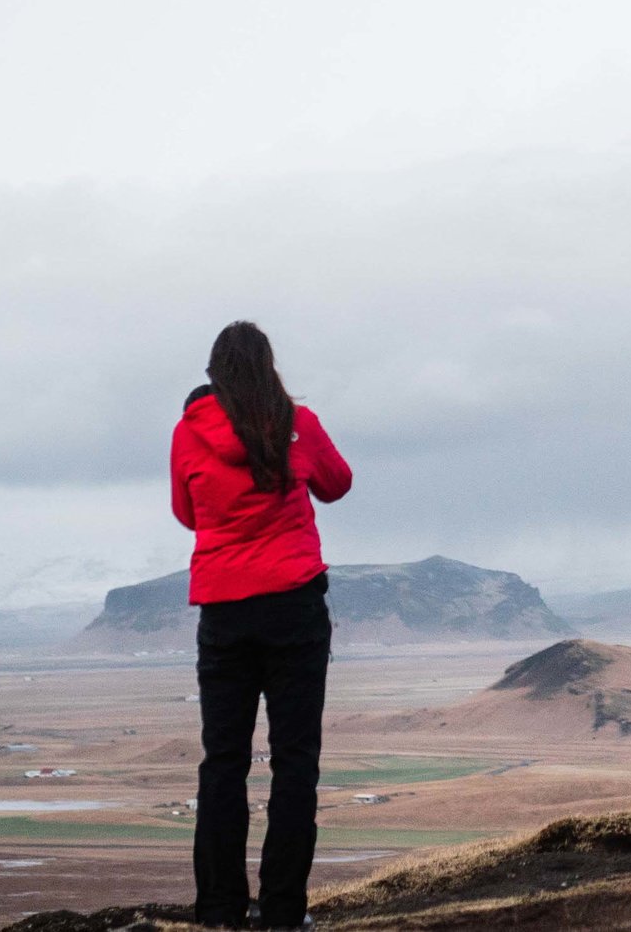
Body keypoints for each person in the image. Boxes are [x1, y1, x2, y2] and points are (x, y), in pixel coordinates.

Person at [170, 321, 353, 930]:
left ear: (214, 372)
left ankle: (219, 912)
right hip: (294, 607)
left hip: (224, 611)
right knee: (294, 761)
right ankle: (282, 913)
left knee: (223, 761)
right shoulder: (297, 423)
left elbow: (186, 512)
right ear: (269, 365)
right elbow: (338, 484)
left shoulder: (188, 431)